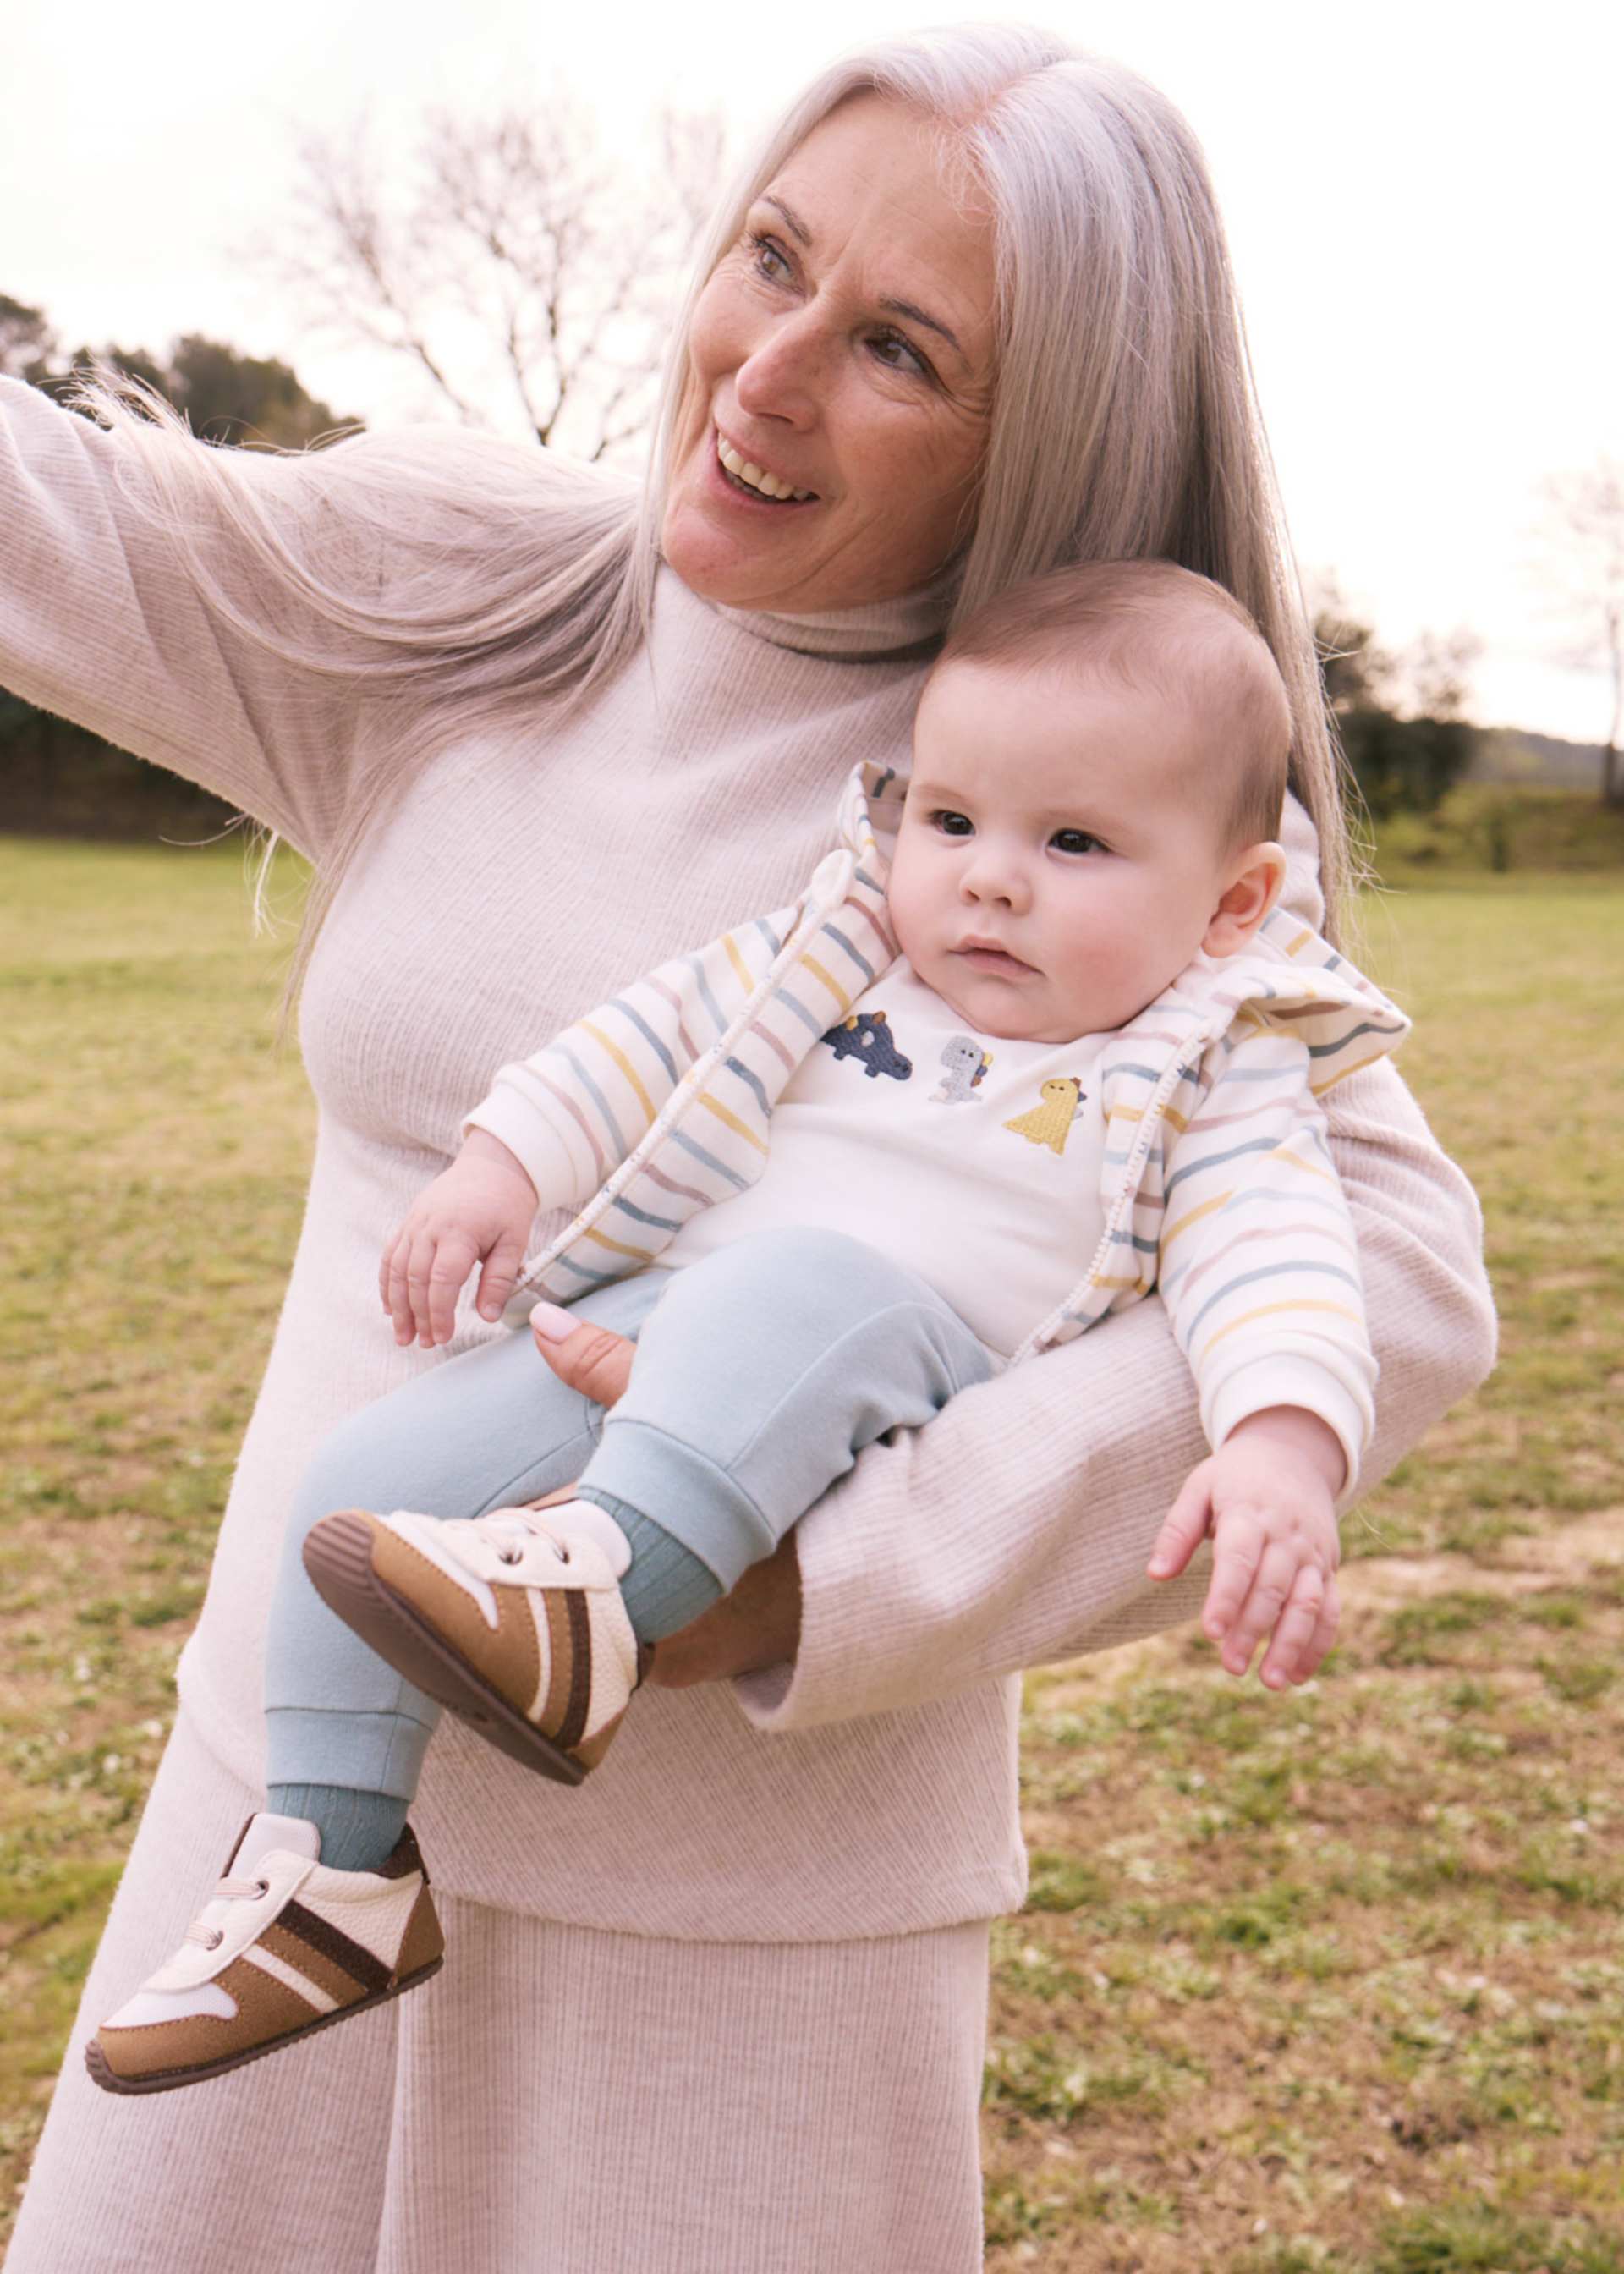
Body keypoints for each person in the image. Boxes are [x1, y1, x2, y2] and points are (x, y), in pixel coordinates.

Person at [2, 25, 1494, 2269]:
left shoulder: (1067, 796)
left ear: (1049, 435)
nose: (763, 373)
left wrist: (835, 1572)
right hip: (283, 1813)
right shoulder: (477, 595)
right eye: (769, 261)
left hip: (734, 1946)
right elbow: (63, 523)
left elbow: (1387, 1275)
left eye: (896, 344)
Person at [84, 556, 1413, 2092]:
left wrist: (1283, 1442)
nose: (989, 878)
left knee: (802, 1284)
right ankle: (334, 1876)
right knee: (363, 1474)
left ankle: (593, 1593)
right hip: (666, 1325)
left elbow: (1281, 1252)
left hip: (892, 1351)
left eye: (1075, 842)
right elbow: (647, 1039)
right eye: (955, 819)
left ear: (1234, 900)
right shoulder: (835, 948)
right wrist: (501, 1165)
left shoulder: (1210, 1054)